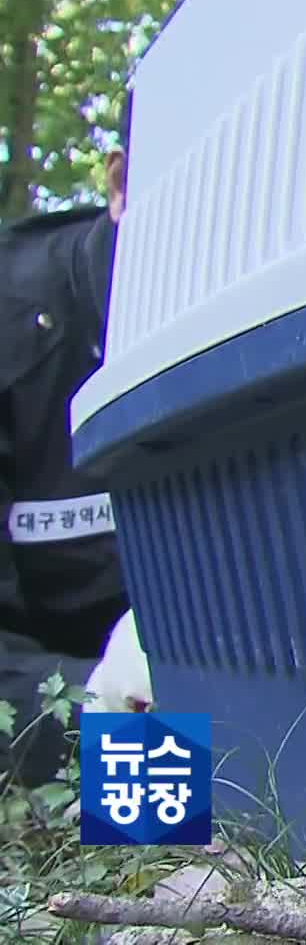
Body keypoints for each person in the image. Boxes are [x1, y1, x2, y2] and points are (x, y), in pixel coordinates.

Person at [1, 138, 153, 789]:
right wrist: (98, 707)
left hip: (233, 711)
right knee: (164, 846)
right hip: (72, 700)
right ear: (120, 185)